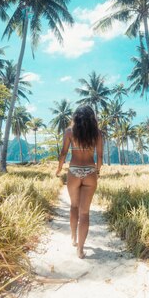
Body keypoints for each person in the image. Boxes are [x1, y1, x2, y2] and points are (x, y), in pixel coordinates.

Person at [55, 106, 103, 259]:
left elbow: (63, 153)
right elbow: (100, 157)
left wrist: (59, 169)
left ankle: (73, 238)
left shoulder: (70, 132)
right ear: (92, 118)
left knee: (74, 206)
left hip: (74, 170)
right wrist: (98, 171)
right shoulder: (97, 134)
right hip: (90, 171)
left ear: (76, 117)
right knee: (85, 212)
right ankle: (80, 250)